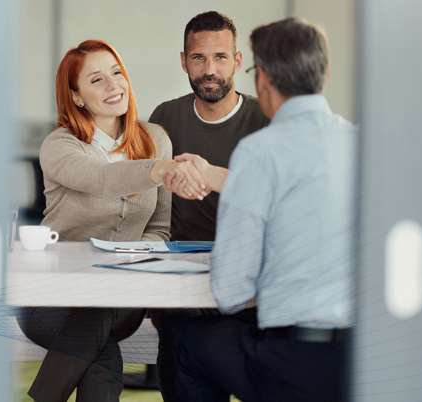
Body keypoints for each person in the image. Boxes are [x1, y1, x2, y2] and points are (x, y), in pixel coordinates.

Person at [175, 17, 357, 402]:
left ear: (263, 78)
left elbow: (230, 292)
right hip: (366, 359)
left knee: (188, 342)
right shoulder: (361, 143)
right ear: (323, 76)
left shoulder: (260, 152)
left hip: (296, 361)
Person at [17, 39, 207, 402]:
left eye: (116, 73)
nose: (113, 85)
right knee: (102, 355)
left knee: (101, 309)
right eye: (97, 80)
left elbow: (160, 228)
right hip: (51, 296)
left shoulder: (155, 139)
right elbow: (101, 180)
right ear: (76, 96)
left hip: (122, 296)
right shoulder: (60, 146)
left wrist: (126, 258)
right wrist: (158, 169)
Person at [147, 11, 269, 402]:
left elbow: (282, 199)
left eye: (220, 58)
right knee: (179, 334)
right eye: (198, 58)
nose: (209, 70)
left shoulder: (266, 120)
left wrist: (212, 175)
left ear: (237, 61)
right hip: (183, 285)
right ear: (183, 61)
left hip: (251, 281)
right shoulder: (164, 118)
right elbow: (149, 205)